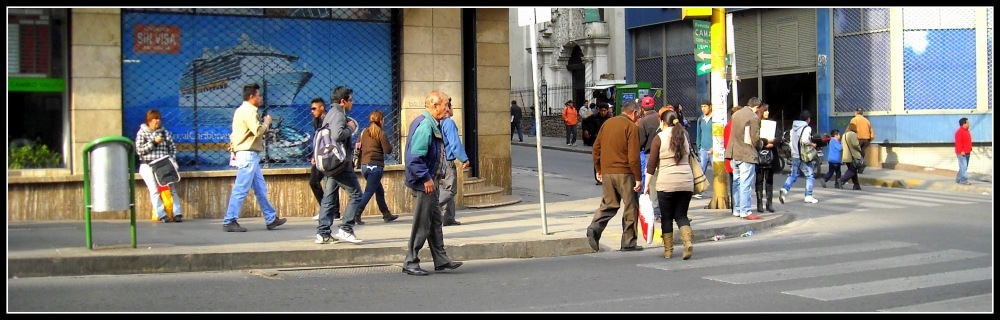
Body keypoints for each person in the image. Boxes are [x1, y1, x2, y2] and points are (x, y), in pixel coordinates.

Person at [401, 90, 463, 276]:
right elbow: (414, 159)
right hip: (424, 184)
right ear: (435, 106)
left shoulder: (431, 124)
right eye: (445, 105)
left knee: (435, 222)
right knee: (422, 223)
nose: (448, 109)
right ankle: (410, 261)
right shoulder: (425, 126)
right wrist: (426, 178)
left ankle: (441, 260)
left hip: (430, 182)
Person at [222, 82, 286, 232]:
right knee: (241, 188)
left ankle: (271, 218)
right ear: (252, 97)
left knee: (260, 188)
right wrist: (267, 122)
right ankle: (229, 220)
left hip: (249, 155)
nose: (261, 98)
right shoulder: (249, 111)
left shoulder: (241, 110)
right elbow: (258, 131)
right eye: (258, 95)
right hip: (248, 154)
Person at [586, 100, 644, 252]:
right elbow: (633, 157)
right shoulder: (631, 127)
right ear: (635, 113)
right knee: (631, 206)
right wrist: (638, 178)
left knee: (609, 204)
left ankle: (595, 227)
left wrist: (599, 168)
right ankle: (628, 242)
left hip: (607, 172)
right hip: (625, 173)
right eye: (639, 114)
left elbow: (596, 148)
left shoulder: (608, 123)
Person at [315, 85, 364, 244]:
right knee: (356, 194)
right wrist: (350, 128)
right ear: (343, 101)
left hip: (330, 164)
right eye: (350, 100)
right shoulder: (339, 115)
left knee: (329, 197)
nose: (352, 103)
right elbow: (337, 135)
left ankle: (323, 233)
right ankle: (346, 228)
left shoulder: (329, 114)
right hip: (340, 164)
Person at [644, 109, 695, 260]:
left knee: (666, 217)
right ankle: (687, 243)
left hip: (666, 183)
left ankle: (668, 251)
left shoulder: (659, 138)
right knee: (681, 215)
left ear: (662, 122)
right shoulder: (684, 135)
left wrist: (646, 185)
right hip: (686, 182)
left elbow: (651, 165)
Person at [135, 109, 184, 223]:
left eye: (159, 119)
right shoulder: (142, 132)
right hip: (148, 165)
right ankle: (161, 214)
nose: (157, 121)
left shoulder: (164, 132)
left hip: (163, 164)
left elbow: (172, 148)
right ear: (149, 121)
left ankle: (177, 213)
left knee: (171, 189)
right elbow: (139, 150)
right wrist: (153, 142)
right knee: (154, 190)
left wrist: (172, 161)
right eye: (154, 119)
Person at [724, 97, 765, 220]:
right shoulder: (753, 117)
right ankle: (745, 211)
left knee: (736, 182)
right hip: (746, 154)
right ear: (757, 107)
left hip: (734, 153)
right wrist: (762, 144)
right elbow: (755, 139)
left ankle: (736, 209)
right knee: (745, 183)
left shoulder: (736, 115)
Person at [357, 109, 399, 224]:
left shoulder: (363, 132)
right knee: (369, 190)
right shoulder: (381, 133)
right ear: (381, 121)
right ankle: (357, 213)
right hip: (375, 167)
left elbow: (357, 146)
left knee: (379, 190)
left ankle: (386, 214)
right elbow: (388, 150)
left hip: (364, 167)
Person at [439, 98, 471, 227]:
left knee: (444, 188)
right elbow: (454, 144)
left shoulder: (437, 123)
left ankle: (448, 218)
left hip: (439, 160)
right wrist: (464, 158)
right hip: (447, 161)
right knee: (450, 190)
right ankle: (431, 208)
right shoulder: (448, 123)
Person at [307, 97, 339, 221]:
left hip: (330, 155)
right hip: (320, 156)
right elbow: (317, 140)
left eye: (314, 108)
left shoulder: (329, 120)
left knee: (332, 182)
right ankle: (327, 210)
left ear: (322, 108)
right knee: (314, 181)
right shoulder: (315, 121)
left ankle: (333, 212)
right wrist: (314, 155)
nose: (312, 111)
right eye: (311, 109)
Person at [779, 110, 819, 204]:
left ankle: (784, 189)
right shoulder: (807, 128)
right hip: (803, 157)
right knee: (809, 175)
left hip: (795, 155)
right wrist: (812, 144)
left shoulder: (793, 129)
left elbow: (791, 143)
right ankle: (808, 196)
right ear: (808, 119)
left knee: (793, 175)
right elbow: (805, 140)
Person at [754, 104, 780, 213]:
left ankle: (769, 203)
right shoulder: (756, 123)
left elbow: (779, 137)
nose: (767, 113)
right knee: (759, 180)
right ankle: (759, 203)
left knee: (769, 180)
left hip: (771, 155)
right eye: (765, 111)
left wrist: (773, 143)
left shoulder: (772, 124)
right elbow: (754, 138)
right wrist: (764, 142)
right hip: (759, 154)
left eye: (768, 111)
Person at [637, 95, 660, 191]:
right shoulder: (661, 117)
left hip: (650, 153)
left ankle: (655, 204)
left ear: (642, 109)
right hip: (664, 151)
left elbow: (641, 140)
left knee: (652, 179)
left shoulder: (643, 121)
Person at [694, 99, 714, 200]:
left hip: (713, 149)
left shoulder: (715, 119)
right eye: (702, 107)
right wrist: (699, 147)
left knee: (717, 170)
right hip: (703, 149)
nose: (703, 109)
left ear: (710, 107)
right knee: (701, 170)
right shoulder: (700, 119)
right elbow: (699, 134)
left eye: (705, 107)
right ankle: (697, 191)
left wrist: (715, 147)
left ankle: (718, 191)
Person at [838, 123, 863, 190]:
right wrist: (860, 149)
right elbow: (855, 144)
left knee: (853, 170)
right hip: (853, 155)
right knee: (852, 170)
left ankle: (856, 185)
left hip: (846, 156)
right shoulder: (852, 134)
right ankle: (841, 180)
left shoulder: (844, 135)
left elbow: (842, 145)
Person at [954, 117, 972, 185]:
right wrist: (962, 150)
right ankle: (964, 180)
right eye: (967, 122)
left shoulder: (966, 131)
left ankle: (958, 178)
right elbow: (959, 142)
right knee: (963, 166)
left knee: (963, 166)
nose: (969, 124)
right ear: (964, 124)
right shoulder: (959, 132)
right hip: (962, 152)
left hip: (967, 151)